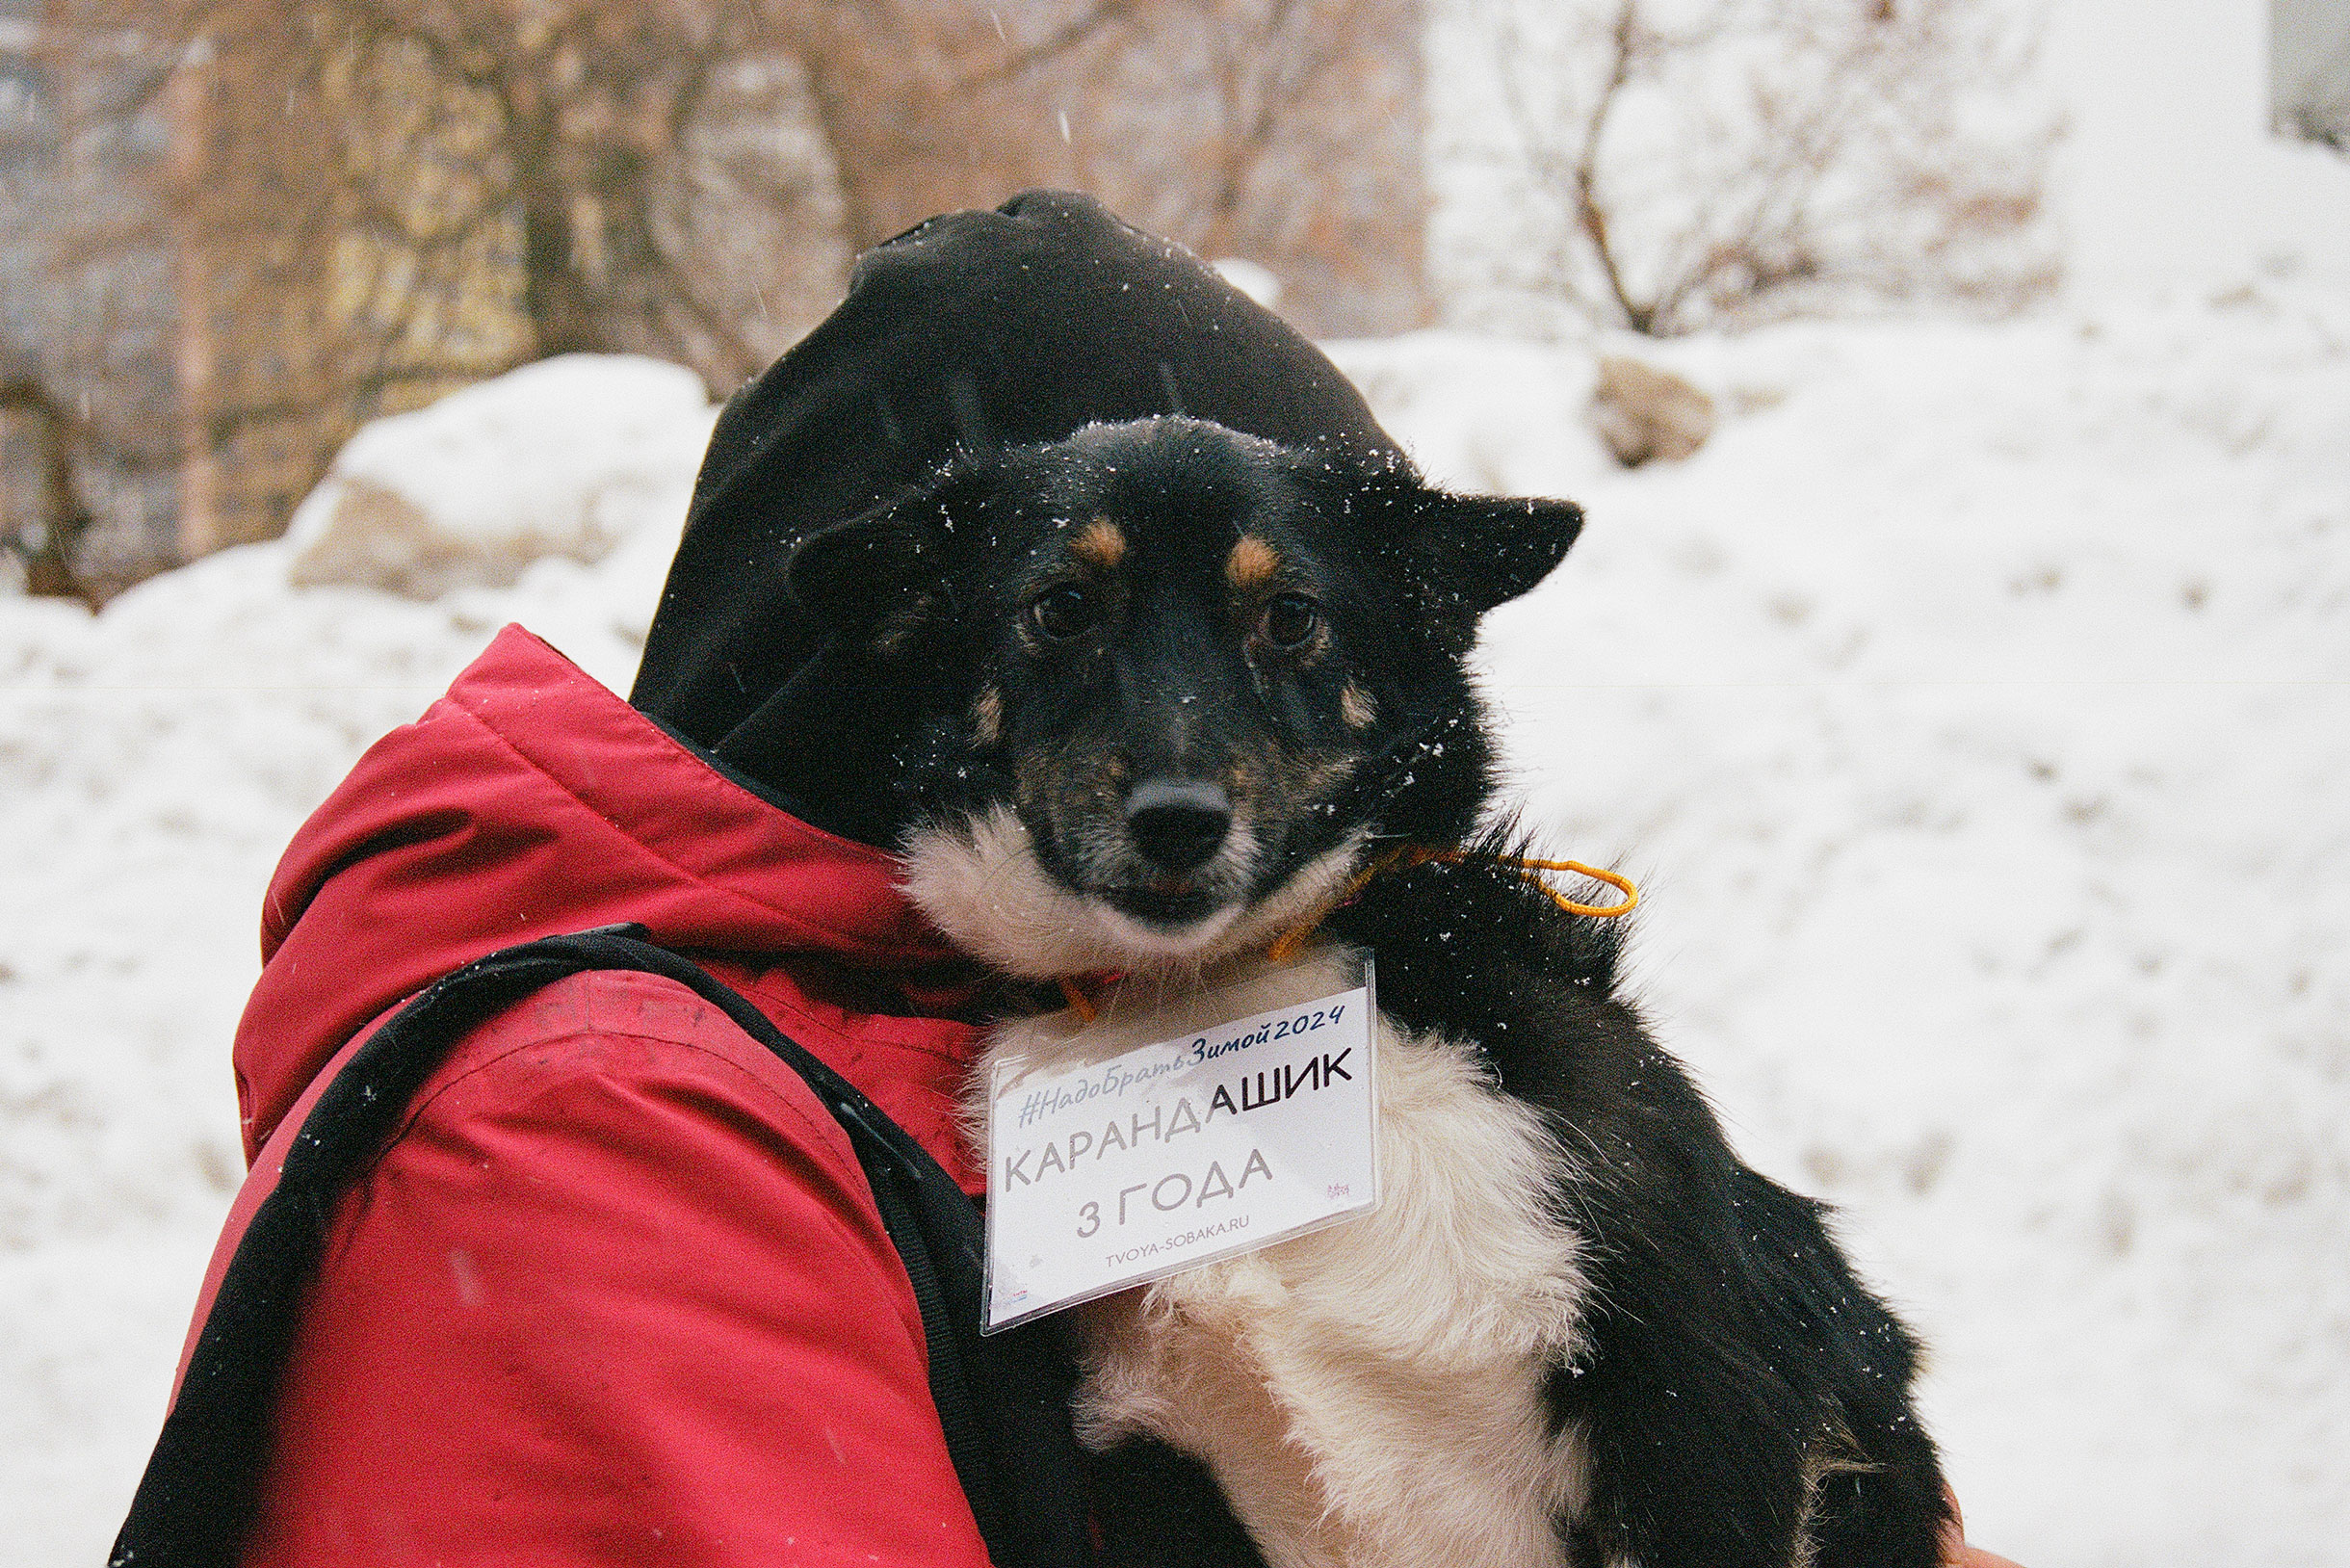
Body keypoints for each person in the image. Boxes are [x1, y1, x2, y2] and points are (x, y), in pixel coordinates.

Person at [141, 192, 2020, 1567]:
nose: (1178, 751)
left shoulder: (938, 1038)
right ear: (900, 641)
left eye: (1279, 641)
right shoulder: (599, 1116)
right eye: (1072, 625)